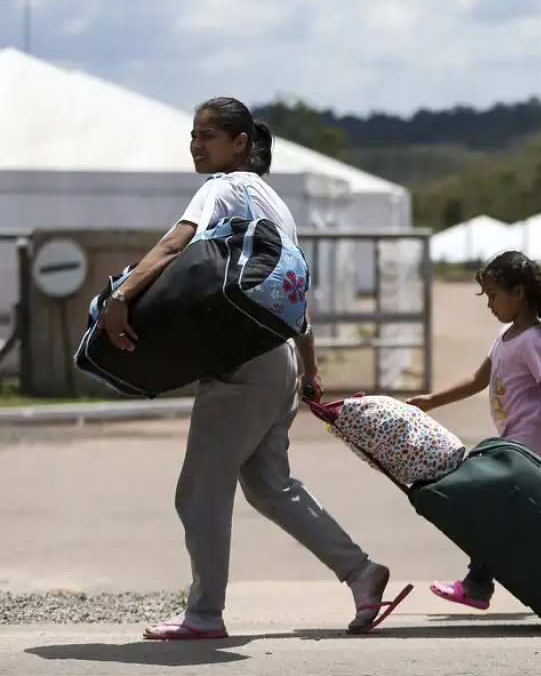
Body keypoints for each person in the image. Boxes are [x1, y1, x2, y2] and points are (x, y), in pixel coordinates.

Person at [97, 97, 394, 640]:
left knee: (198, 490)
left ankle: (205, 614)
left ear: (240, 144)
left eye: (207, 136)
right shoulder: (274, 203)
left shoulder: (223, 187)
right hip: (275, 356)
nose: (196, 144)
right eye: (193, 134)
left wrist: (122, 297)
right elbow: (293, 288)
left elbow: (174, 244)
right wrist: (308, 366)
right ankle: (361, 572)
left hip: (241, 362)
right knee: (269, 486)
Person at [407, 250, 541, 613]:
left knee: (492, 510)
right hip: (513, 445)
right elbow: (477, 380)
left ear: (518, 292)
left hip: (528, 448)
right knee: (535, 521)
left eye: (493, 295)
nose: (489, 304)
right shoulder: (506, 336)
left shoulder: (533, 340)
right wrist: (433, 400)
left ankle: (477, 585)